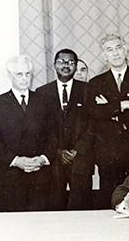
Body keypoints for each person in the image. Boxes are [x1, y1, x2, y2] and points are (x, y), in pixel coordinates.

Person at [86, 33, 129, 209]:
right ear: (104, 55)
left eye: (118, 48)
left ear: (126, 51)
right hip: (108, 153)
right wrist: (123, 104)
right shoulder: (95, 83)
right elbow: (94, 112)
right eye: (109, 50)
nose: (115, 53)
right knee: (109, 200)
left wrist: (110, 109)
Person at [0, 55, 56, 211]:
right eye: (19, 74)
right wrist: (15, 160)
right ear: (10, 75)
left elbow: (54, 135)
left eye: (27, 73)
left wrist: (43, 158)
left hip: (40, 175)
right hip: (11, 176)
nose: (25, 78)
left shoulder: (44, 101)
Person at [36, 49, 92, 210]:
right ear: (54, 65)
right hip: (53, 161)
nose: (66, 65)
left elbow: (93, 125)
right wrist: (58, 151)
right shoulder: (42, 92)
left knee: (83, 209)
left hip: (81, 159)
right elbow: (41, 129)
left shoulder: (88, 89)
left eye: (71, 62)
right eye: (61, 62)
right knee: (53, 208)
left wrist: (77, 150)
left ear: (76, 67)